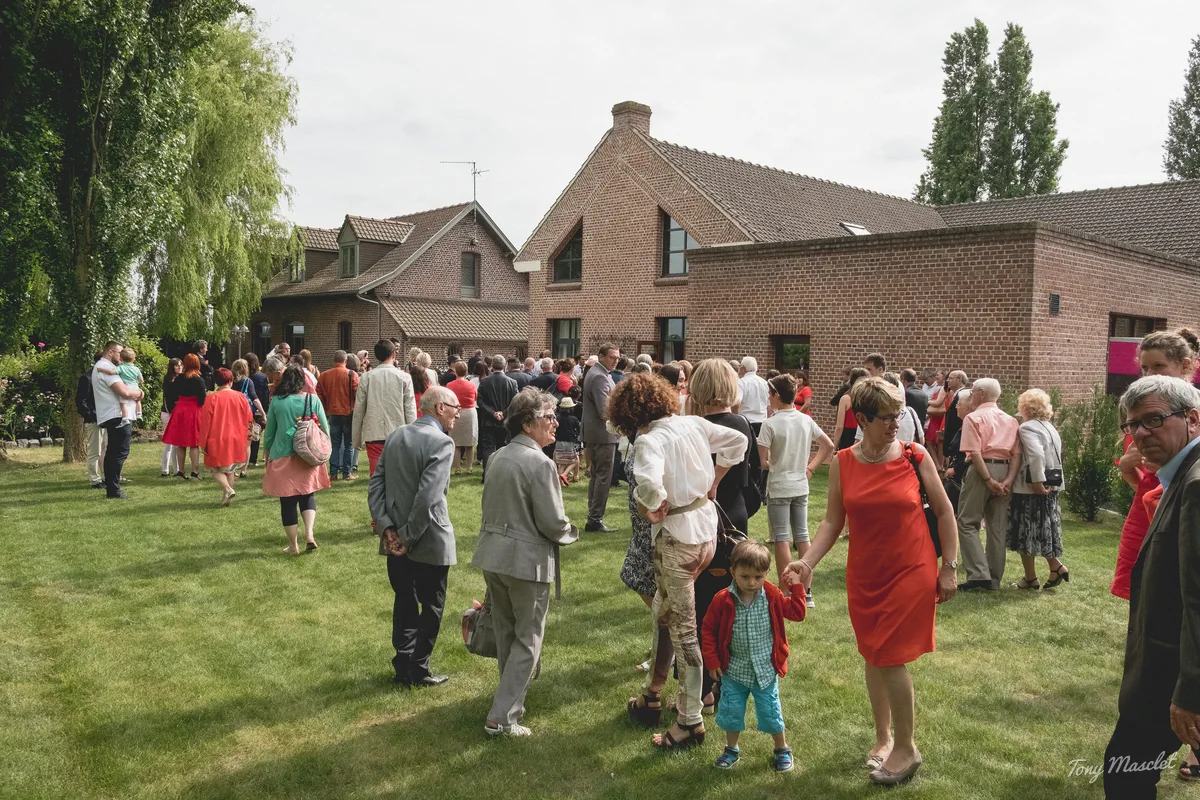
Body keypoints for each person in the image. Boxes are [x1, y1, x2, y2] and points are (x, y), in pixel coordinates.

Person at [783, 377, 958, 785]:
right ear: (860, 419)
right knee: (873, 654)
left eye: (898, 415)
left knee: (889, 657)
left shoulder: (915, 456)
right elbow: (831, 521)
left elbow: (945, 512)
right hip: (865, 575)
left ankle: (906, 747)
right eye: (886, 417)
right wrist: (806, 563)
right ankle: (883, 738)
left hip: (911, 570)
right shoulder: (843, 462)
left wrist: (949, 566)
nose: (896, 423)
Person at [611, 373, 748, 751]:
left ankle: (689, 721)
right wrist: (715, 477)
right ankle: (652, 695)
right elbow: (738, 441)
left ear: (627, 413)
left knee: (685, 630)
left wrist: (652, 505)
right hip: (705, 527)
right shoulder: (692, 423)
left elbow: (648, 482)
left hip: (678, 538)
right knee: (664, 611)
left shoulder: (650, 440)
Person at [1104, 375, 1200, 797]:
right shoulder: (1179, 476)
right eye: (1132, 425)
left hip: (1173, 679)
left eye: (1154, 420)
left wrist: (1191, 691)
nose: (1140, 434)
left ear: (1192, 419)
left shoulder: (1195, 486)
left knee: (1125, 774)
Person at [473, 390, 579, 736]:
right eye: (549, 417)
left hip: (494, 555)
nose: (555, 423)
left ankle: (508, 703)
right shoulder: (541, 463)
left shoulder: (498, 456)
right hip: (525, 561)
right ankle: (502, 716)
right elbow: (552, 522)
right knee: (528, 638)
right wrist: (570, 531)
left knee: (507, 632)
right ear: (527, 423)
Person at [370, 386, 459, 687]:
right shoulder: (442, 442)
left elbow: (376, 485)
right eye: (455, 406)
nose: (459, 412)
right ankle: (418, 668)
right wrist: (404, 537)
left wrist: (387, 529)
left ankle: (403, 664)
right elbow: (428, 498)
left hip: (395, 538)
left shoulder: (396, 434)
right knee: (432, 604)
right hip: (428, 539)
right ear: (439, 408)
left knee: (404, 600)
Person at [703, 540, 807, 772]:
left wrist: (798, 587)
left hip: (765, 670)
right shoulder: (722, 599)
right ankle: (731, 750)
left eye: (758, 577)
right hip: (734, 671)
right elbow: (708, 629)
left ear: (766, 574)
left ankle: (782, 749)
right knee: (731, 712)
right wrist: (712, 660)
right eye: (745, 576)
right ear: (733, 573)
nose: (752, 583)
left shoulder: (772, 594)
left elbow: (797, 613)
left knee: (771, 712)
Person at [1113, 328, 1200, 601]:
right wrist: (1127, 467)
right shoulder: (1140, 409)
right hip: (1147, 505)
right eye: (1145, 368)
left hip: (1183, 503)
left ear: (1185, 365)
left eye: (1159, 366)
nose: (1151, 374)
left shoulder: (1187, 408)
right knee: (1143, 586)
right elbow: (1143, 483)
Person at [758, 374, 835, 606]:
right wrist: (810, 467)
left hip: (780, 485)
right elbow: (828, 445)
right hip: (801, 485)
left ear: (777, 395)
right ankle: (806, 592)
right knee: (802, 536)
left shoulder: (769, 424)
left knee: (782, 538)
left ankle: (786, 590)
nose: (768, 399)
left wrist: (775, 463)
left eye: (770, 394)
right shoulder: (804, 420)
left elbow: (763, 463)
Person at [956, 377, 1021, 591]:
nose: (971, 395)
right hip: (1006, 470)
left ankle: (978, 574)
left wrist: (988, 480)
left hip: (982, 468)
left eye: (973, 391)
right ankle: (994, 578)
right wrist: (1008, 481)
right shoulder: (1011, 420)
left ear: (981, 394)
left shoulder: (973, 418)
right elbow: (1016, 455)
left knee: (967, 522)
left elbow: (974, 452)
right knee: (997, 526)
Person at [262, 364, 331, 554]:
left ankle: (293, 545)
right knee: (308, 495)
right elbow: (325, 427)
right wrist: (324, 450)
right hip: (308, 456)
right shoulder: (313, 399)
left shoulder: (277, 401)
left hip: (283, 455)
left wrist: (267, 453)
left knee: (287, 502)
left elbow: (270, 433)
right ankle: (309, 534)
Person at [1008, 389, 1067, 590]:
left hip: (1031, 487)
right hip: (1053, 483)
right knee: (1046, 527)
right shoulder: (1050, 427)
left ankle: (1030, 578)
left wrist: (1036, 481)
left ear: (1024, 407)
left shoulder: (1027, 428)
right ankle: (1055, 567)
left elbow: (1036, 455)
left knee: (1027, 531)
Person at [352, 339, 417, 476]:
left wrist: (356, 438)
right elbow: (410, 409)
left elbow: (359, 410)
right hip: (398, 434)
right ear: (393, 354)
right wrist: (413, 438)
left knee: (376, 478)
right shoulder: (404, 377)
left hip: (374, 433)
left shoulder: (366, 378)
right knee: (397, 477)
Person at [91, 341, 144, 498]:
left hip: (110, 414)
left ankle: (111, 488)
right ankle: (114, 490)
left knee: (112, 452)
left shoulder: (103, 367)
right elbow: (124, 392)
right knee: (119, 452)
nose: (121, 357)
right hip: (117, 415)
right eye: (119, 353)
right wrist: (140, 394)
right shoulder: (108, 367)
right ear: (110, 352)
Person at [198, 368, 252, 506]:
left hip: (218, 437)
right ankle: (227, 495)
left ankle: (227, 489)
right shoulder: (241, 397)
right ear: (231, 380)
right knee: (230, 469)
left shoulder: (211, 398)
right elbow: (249, 418)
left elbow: (205, 422)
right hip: (237, 437)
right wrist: (248, 435)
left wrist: (202, 442)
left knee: (214, 468)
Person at [582, 343, 621, 531]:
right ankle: (595, 519)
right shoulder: (599, 376)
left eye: (618, 358)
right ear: (602, 356)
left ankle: (593, 517)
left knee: (597, 477)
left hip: (597, 433)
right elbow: (604, 411)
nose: (615, 361)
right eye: (612, 357)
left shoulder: (598, 373)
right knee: (602, 477)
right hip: (603, 434)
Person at [316, 350, 360, 482]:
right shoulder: (351, 374)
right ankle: (347, 472)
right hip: (348, 414)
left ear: (334, 360)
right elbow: (357, 394)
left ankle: (333, 473)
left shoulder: (324, 375)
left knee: (334, 444)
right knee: (348, 444)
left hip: (332, 413)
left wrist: (326, 407)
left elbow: (318, 394)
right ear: (345, 361)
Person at [162, 353, 206, 480]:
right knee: (194, 443)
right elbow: (202, 400)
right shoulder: (199, 380)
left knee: (180, 443)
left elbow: (173, 394)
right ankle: (194, 472)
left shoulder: (179, 378)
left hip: (180, 409)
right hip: (193, 411)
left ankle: (180, 472)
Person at [476, 355, 518, 480]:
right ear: (505, 365)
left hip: (489, 421)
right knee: (503, 448)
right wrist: (503, 413)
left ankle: (487, 474)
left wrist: (493, 413)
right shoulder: (512, 383)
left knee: (488, 448)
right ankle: (502, 474)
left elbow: (480, 401)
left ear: (492, 366)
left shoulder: (484, 381)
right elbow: (515, 402)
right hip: (505, 422)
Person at [230, 359, 266, 478]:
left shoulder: (230, 382)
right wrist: (263, 413)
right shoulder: (248, 381)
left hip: (233, 416)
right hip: (246, 415)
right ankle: (244, 470)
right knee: (247, 444)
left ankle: (233, 468)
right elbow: (254, 398)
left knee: (234, 443)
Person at [76, 353, 106, 488]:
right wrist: (91, 416)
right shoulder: (86, 378)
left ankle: (106, 476)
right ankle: (95, 479)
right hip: (94, 419)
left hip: (106, 418)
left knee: (106, 449)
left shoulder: (105, 377)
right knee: (95, 450)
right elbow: (80, 401)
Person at [445, 361, 478, 474]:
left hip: (456, 411)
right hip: (469, 412)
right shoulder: (471, 384)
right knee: (470, 442)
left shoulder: (449, 385)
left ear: (455, 371)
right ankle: (469, 467)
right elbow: (475, 397)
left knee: (456, 442)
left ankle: (457, 468)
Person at [831, 368, 869, 452]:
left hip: (848, 436)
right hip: (865, 436)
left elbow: (839, 427)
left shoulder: (846, 398)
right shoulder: (869, 398)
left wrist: (834, 448)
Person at [244, 353, 270, 469]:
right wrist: (264, 410)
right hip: (257, 408)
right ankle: (252, 459)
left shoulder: (242, 378)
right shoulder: (261, 377)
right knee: (255, 434)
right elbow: (265, 394)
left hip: (244, 409)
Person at [160, 358, 183, 477]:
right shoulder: (170, 381)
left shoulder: (174, 380)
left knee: (172, 443)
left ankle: (172, 469)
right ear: (172, 367)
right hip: (169, 414)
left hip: (169, 413)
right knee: (171, 443)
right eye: (177, 366)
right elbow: (169, 400)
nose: (180, 368)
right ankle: (170, 469)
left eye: (180, 365)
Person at [737, 357, 769, 436]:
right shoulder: (764, 383)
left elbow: (737, 402)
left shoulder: (741, 383)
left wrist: (734, 417)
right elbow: (769, 406)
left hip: (746, 422)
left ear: (744, 369)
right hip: (762, 422)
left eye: (740, 367)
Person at [554, 396, 582, 483]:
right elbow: (578, 429)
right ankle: (564, 474)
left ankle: (560, 482)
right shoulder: (573, 419)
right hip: (569, 442)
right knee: (574, 460)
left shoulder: (557, 418)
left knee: (561, 463)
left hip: (558, 442)